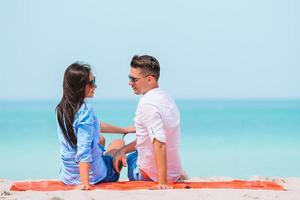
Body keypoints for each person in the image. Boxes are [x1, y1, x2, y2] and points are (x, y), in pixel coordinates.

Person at [56, 62, 134, 190]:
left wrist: (125, 129)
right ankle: (101, 170)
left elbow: (93, 125)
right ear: (80, 86)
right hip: (96, 177)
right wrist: (85, 184)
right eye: (91, 82)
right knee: (118, 143)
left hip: (67, 177)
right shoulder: (85, 110)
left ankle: (95, 166)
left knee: (101, 139)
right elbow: (84, 150)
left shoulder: (63, 109)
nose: (95, 86)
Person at [113, 55, 187, 190]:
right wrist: (123, 150)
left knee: (126, 137)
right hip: (174, 173)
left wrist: (162, 183)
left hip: (146, 175)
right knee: (133, 135)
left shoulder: (147, 104)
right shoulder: (167, 98)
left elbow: (159, 142)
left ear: (150, 79)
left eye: (134, 79)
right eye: (129, 78)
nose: (130, 83)